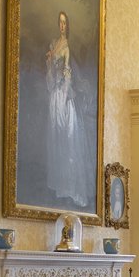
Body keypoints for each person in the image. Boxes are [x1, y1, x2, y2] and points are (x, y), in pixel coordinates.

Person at [45, 10, 88, 206]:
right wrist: (49, 64)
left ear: (67, 25)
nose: (62, 25)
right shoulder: (54, 45)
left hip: (63, 95)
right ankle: (58, 184)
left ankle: (68, 186)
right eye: (60, 22)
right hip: (55, 93)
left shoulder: (67, 48)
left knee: (66, 139)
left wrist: (63, 93)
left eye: (65, 22)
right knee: (56, 138)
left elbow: (67, 74)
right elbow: (51, 72)